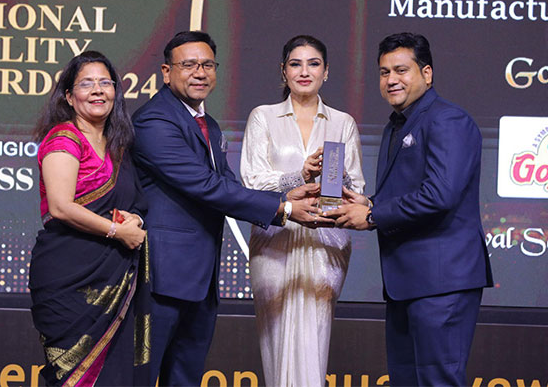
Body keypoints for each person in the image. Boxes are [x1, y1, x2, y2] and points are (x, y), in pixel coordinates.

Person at [131, 31, 332, 387]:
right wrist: (284, 208)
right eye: (188, 64)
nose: (200, 72)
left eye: (208, 64)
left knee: (185, 378)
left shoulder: (207, 124)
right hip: (161, 276)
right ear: (165, 71)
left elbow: (230, 188)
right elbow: (205, 186)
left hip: (199, 279)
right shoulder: (154, 120)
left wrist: (290, 191)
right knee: (140, 378)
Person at [324, 33, 493, 386]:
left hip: (442, 281)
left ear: (427, 73)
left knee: (437, 381)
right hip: (406, 282)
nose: (391, 80)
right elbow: (410, 190)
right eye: (384, 72)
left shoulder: (448, 120)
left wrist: (372, 216)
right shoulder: (395, 125)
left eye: (401, 70)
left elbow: (440, 195)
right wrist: (369, 204)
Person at [239, 35, 365, 386]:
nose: (304, 71)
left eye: (313, 64)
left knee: (314, 340)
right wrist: (300, 175)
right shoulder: (263, 117)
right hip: (274, 242)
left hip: (325, 243)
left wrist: (334, 186)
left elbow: (357, 188)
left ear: (326, 72)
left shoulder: (343, 122)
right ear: (283, 71)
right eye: (296, 64)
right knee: (276, 343)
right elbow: (251, 183)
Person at [28, 51, 150, 386]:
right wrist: (117, 231)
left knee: (116, 376)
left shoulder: (119, 146)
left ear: (115, 91)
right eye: (86, 84)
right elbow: (61, 206)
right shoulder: (64, 138)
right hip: (69, 277)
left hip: (115, 278)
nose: (97, 90)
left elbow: (137, 203)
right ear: (69, 96)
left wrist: (134, 221)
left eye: (105, 83)